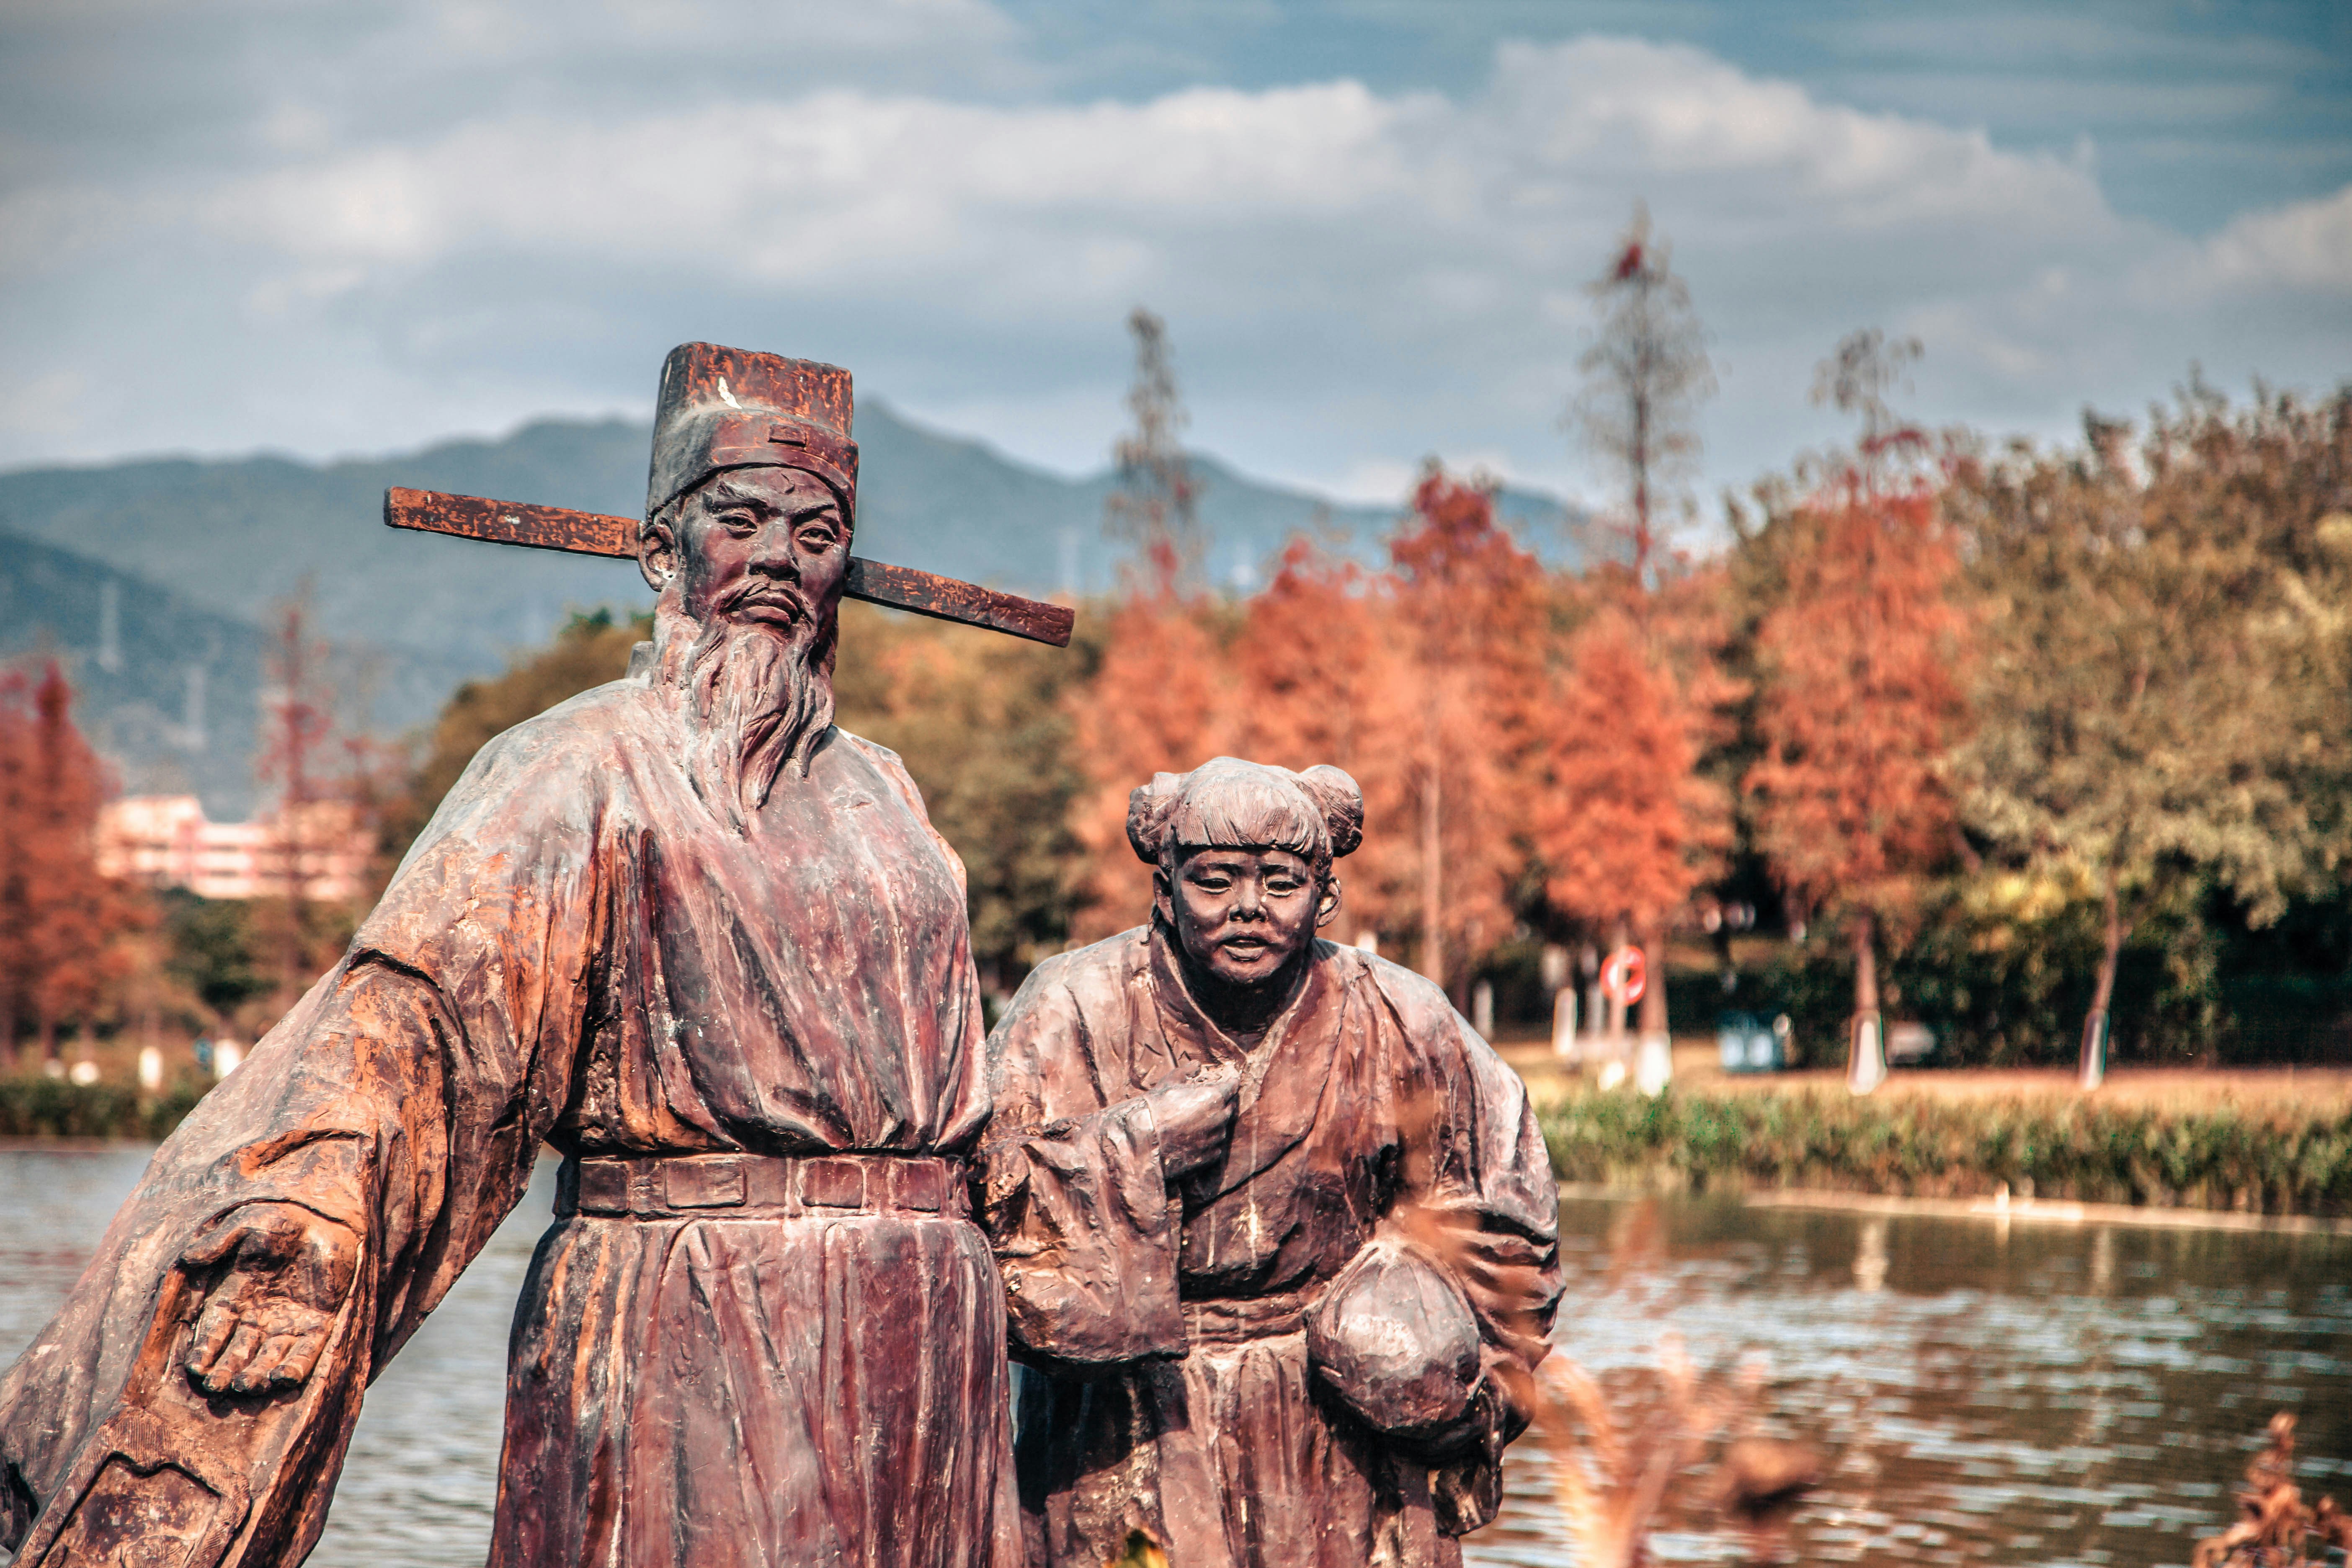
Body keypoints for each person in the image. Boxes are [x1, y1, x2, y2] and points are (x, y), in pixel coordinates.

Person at [0, 345, 1016, 1568]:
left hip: (926, 1336)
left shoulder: (887, 796)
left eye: (817, 534)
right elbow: (416, 1021)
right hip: (693, 1316)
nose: (778, 562)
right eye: (740, 522)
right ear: (663, 552)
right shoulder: (572, 767)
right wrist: (310, 1208)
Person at [978, 758, 1561, 1568]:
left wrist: (1446, 1372)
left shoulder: (1400, 1015)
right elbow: (987, 1197)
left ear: (1326, 896)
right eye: (1215, 881)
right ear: (1165, 890)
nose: (1248, 907)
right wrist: (1135, 1147)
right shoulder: (1072, 1004)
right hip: (1126, 1415)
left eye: (1281, 883)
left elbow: (1504, 1213)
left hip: (1330, 1414)